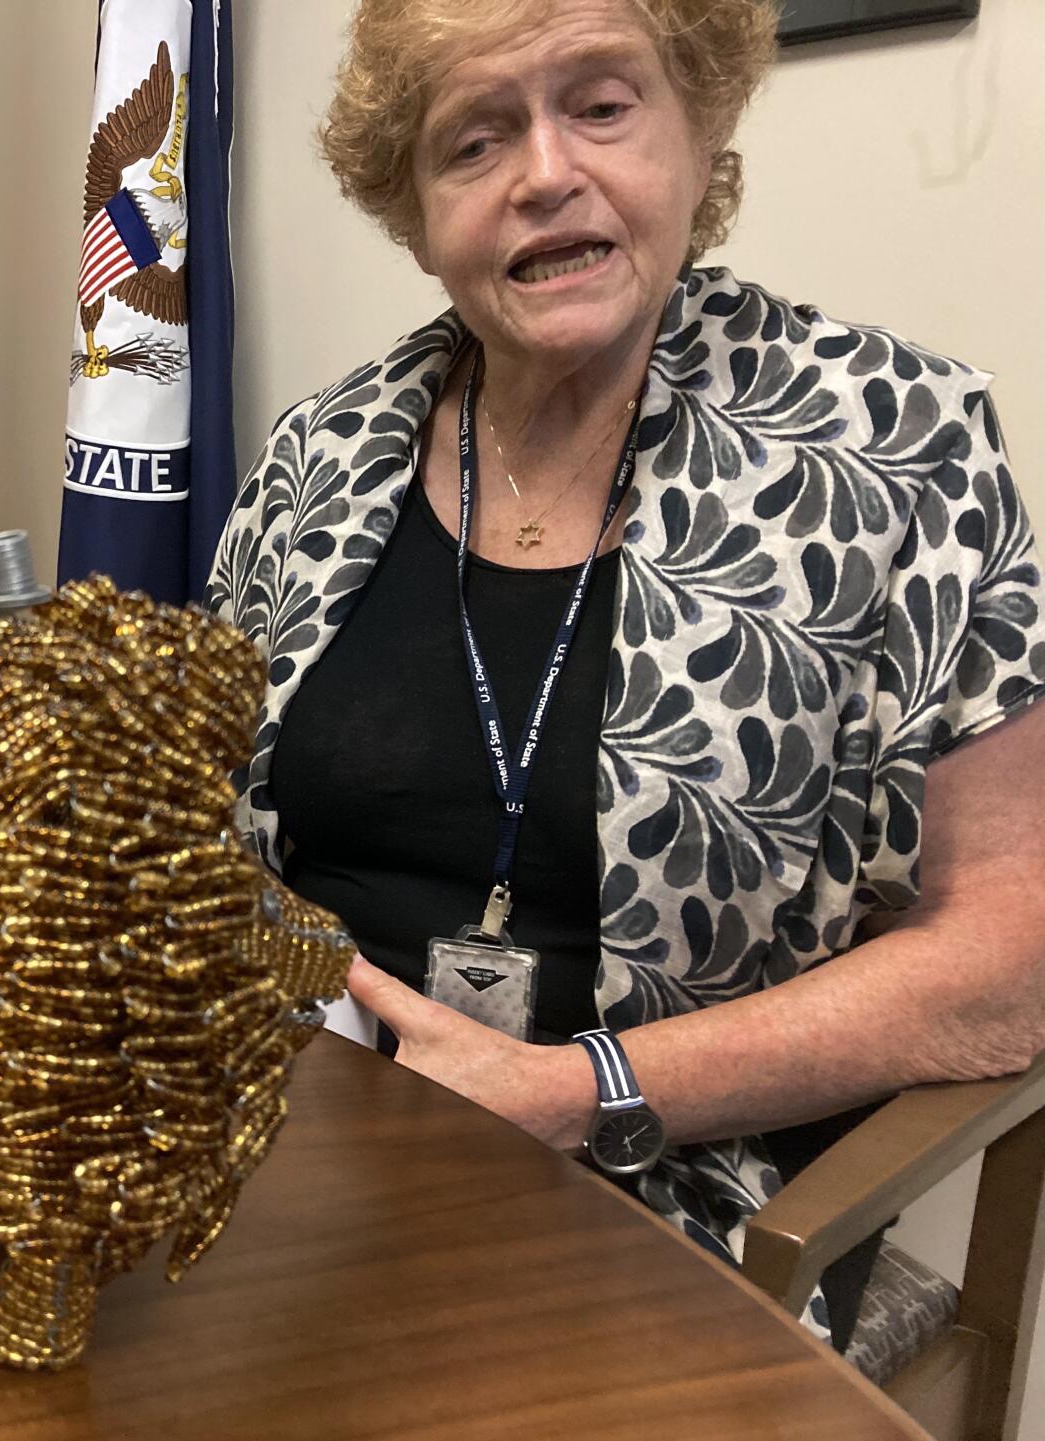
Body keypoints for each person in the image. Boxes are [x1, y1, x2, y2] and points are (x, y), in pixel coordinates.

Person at [203, 0, 1045, 1352]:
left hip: (666, 1202)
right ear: (415, 211)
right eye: (474, 141)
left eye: (601, 105)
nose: (545, 172)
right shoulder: (322, 455)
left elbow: (1007, 963)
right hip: (281, 1154)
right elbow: (198, 845)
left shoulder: (900, 447)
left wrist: (580, 1084)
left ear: (700, 131)